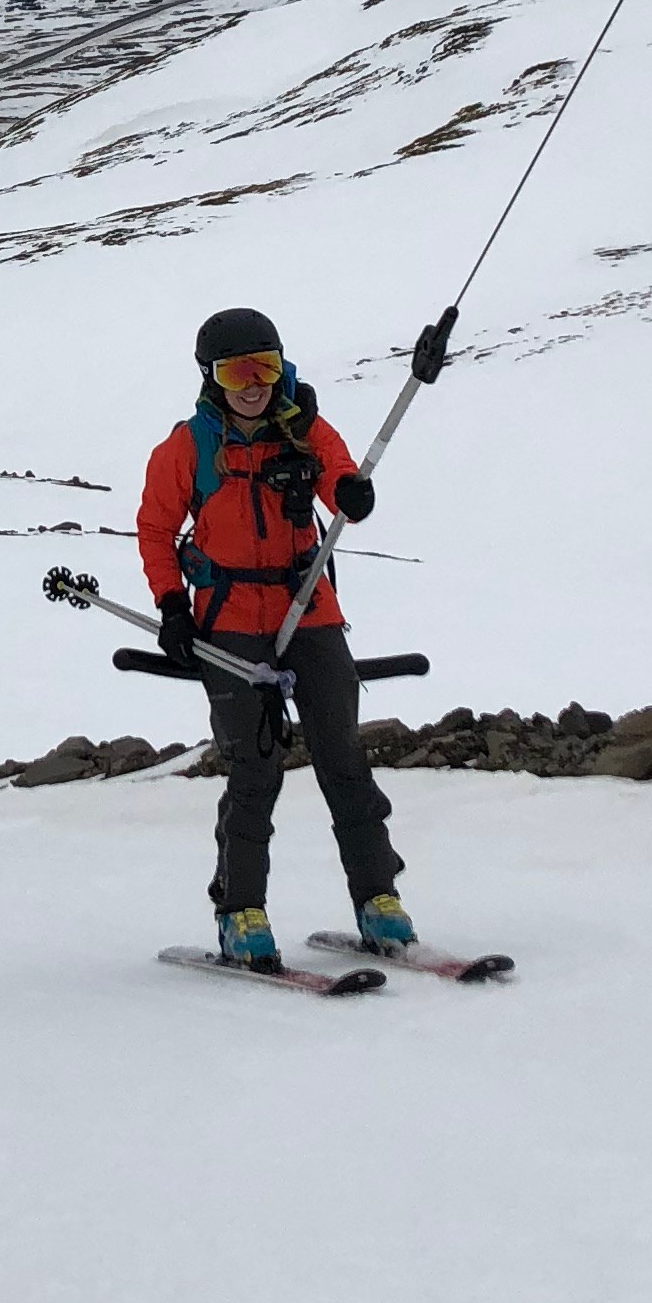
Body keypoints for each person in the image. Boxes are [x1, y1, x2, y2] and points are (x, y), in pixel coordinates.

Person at [138, 305, 411, 972]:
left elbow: (339, 480)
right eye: (236, 372)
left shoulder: (306, 429)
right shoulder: (188, 449)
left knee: (342, 757)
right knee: (255, 767)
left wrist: (350, 494)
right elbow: (155, 529)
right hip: (230, 620)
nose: (253, 385)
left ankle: (379, 899)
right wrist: (172, 605)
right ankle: (241, 913)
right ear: (211, 378)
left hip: (308, 609)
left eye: (264, 367)